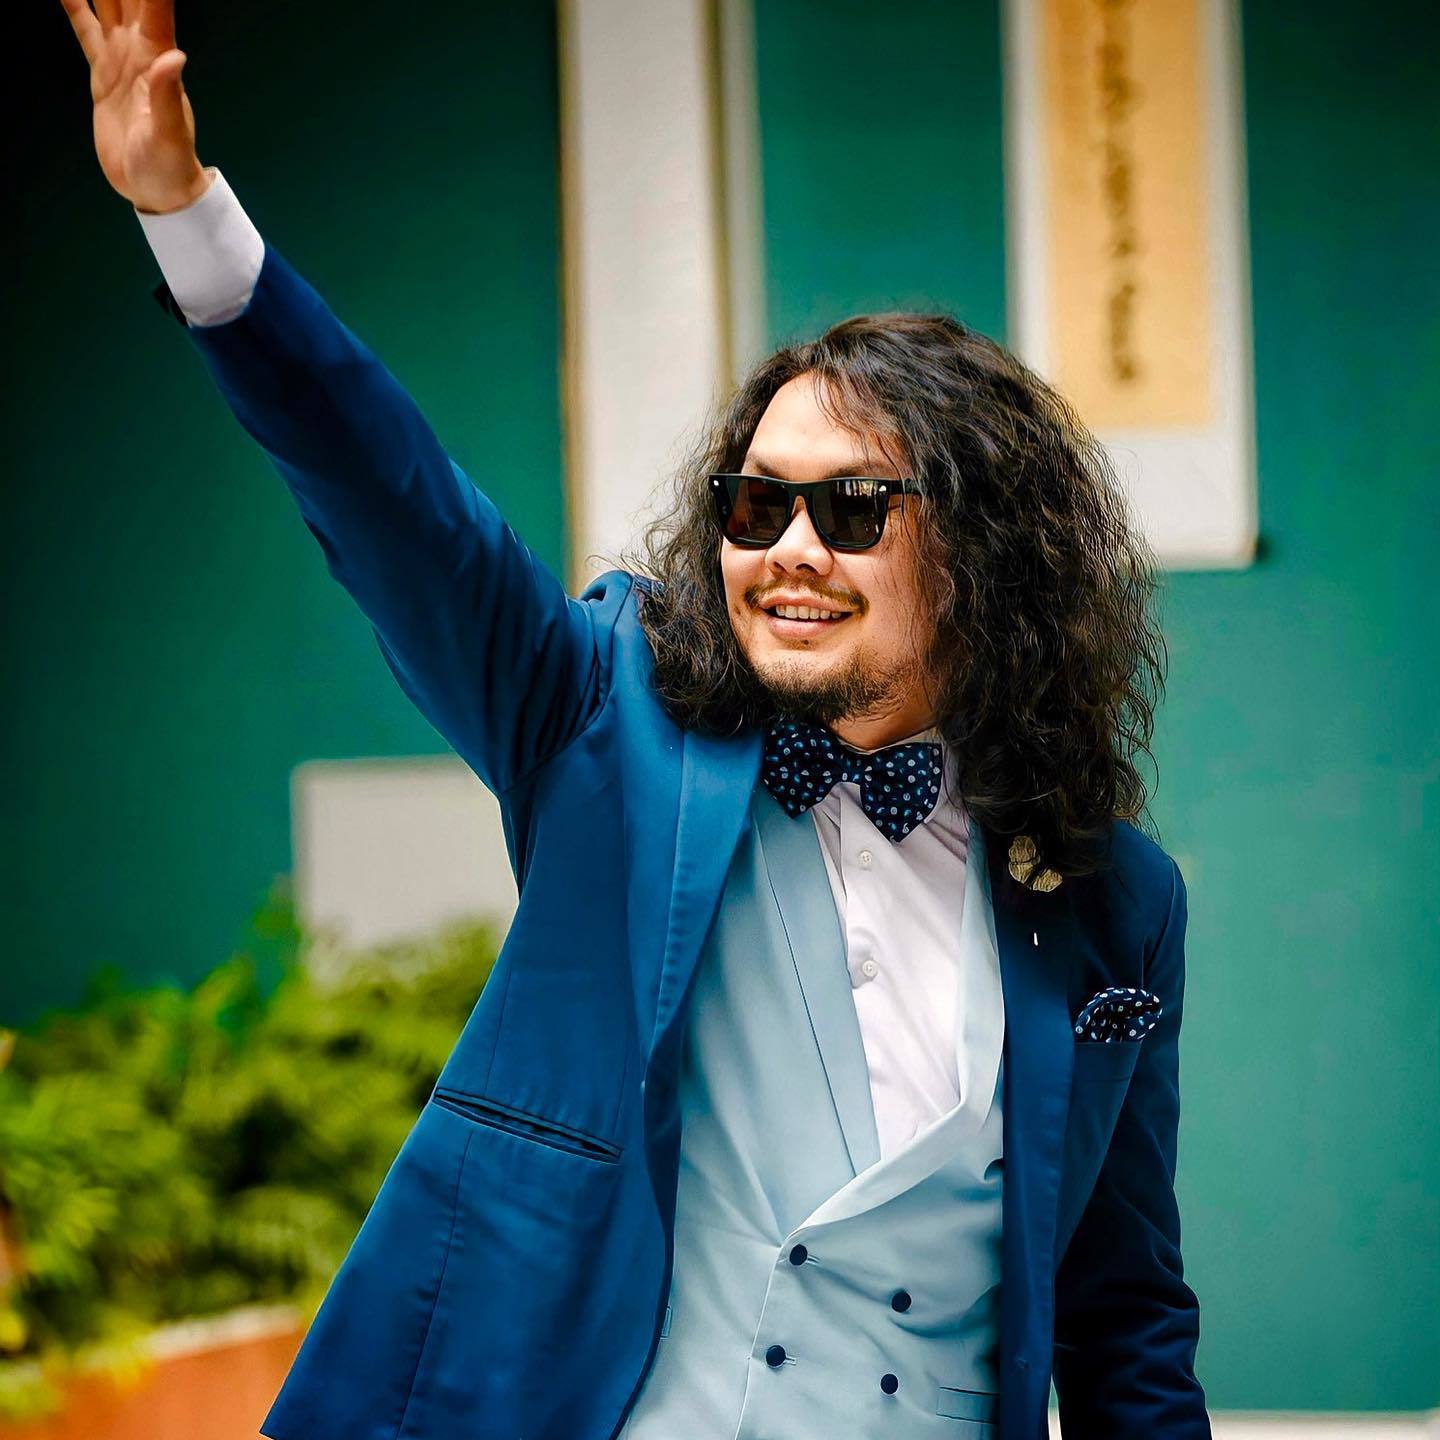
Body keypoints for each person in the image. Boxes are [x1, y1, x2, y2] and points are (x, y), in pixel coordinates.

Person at [58, 2, 1211, 1436]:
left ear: (987, 556)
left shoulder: (1117, 903)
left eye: (854, 509)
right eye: (756, 504)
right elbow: (402, 513)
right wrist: (188, 219)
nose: (790, 550)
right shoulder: (607, 725)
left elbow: (1124, 1315)